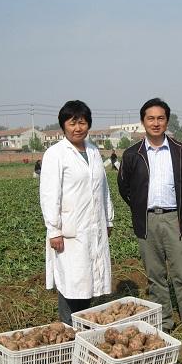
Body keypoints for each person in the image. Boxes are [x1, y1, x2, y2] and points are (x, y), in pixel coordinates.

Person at [118, 98, 182, 333]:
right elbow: (124, 187)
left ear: (167, 121)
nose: (156, 123)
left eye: (160, 118)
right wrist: (140, 208)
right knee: (155, 276)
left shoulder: (180, 151)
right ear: (143, 121)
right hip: (147, 220)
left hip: (175, 219)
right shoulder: (133, 154)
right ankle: (164, 322)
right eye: (151, 118)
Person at [39, 100, 114, 325]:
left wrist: (108, 219)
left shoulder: (92, 150)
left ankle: (84, 325)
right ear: (63, 126)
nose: (77, 128)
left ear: (88, 125)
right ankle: (68, 328)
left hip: (94, 225)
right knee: (72, 280)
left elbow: (103, 187)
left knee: (90, 279)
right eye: (72, 123)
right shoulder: (56, 154)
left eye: (82, 122)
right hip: (70, 228)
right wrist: (54, 230)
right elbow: (49, 194)